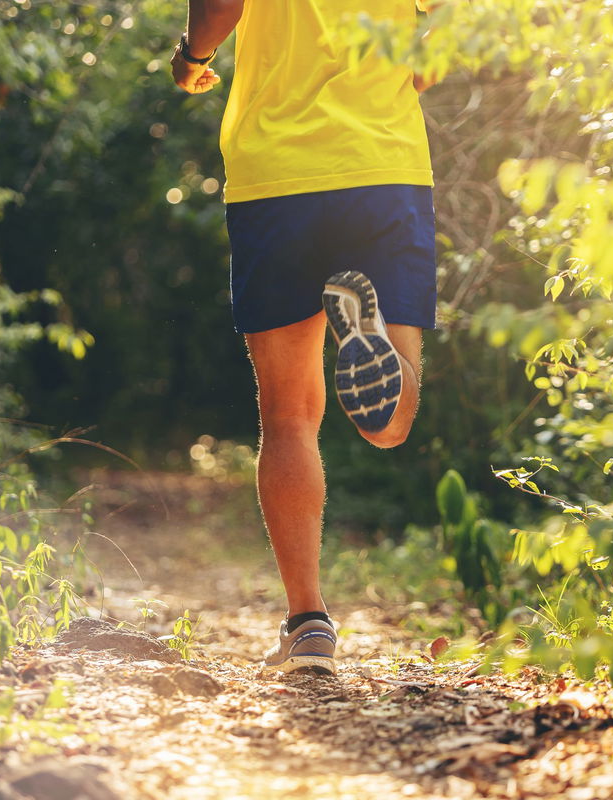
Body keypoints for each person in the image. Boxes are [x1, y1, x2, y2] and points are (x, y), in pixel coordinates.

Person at [170, 0, 438, 675]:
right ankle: (366, 330)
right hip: (383, 166)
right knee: (392, 424)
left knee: (289, 415)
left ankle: (308, 622)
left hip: (275, 172)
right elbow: (435, 50)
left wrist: (192, 57)